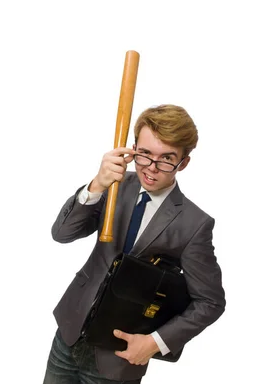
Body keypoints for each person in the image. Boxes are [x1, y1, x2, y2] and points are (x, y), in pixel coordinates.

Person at [43, 104, 225, 383]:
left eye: (166, 159)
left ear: (183, 163)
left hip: (118, 360)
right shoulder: (115, 185)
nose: (151, 168)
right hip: (68, 335)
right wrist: (96, 186)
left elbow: (210, 302)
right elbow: (62, 233)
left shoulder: (194, 224)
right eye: (145, 154)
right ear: (133, 149)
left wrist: (155, 342)